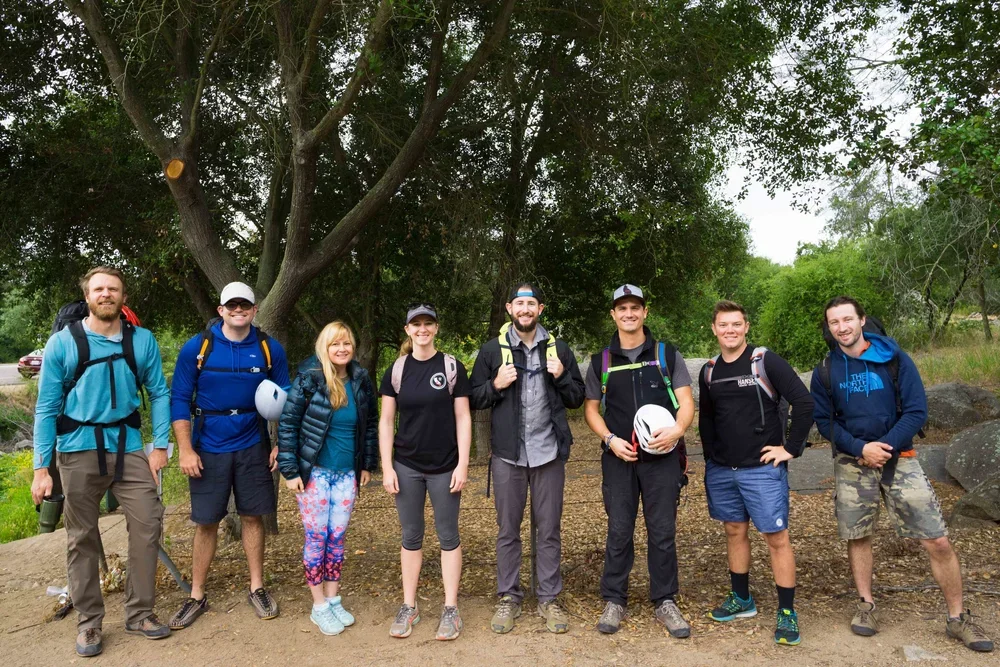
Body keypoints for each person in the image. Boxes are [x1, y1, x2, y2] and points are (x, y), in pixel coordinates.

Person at [811, 295, 994, 653]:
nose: (842, 327)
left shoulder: (895, 359)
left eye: (847, 319)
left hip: (900, 459)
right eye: (834, 322)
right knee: (858, 536)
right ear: (829, 328)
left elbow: (916, 411)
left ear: (862, 320)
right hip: (852, 462)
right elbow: (824, 421)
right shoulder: (826, 370)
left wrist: (883, 447)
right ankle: (866, 605)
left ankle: (958, 618)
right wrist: (860, 448)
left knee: (936, 539)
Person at [30, 266, 172, 657]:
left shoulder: (141, 341)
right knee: (82, 537)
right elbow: (46, 408)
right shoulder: (63, 344)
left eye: (113, 288)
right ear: (87, 296)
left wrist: (160, 446)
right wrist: (41, 469)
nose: (106, 294)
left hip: (128, 446)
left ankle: (140, 613)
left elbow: (159, 393)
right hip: (77, 448)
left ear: (123, 297)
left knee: (148, 523)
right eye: (98, 289)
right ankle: (89, 622)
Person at [167, 282, 289, 629]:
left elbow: (286, 397)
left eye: (244, 305)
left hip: (253, 444)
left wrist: (282, 443)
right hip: (208, 446)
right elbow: (179, 398)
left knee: (253, 517)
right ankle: (196, 595)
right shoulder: (198, 347)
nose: (238, 310)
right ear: (220, 310)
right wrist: (185, 449)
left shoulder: (269, 348)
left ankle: (257, 587)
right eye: (231, 305)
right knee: (206, 522)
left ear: (254, 310)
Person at [469, 283, 586, 634]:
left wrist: (561, 376)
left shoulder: (559, 350)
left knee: (548, 530)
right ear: (509, 308)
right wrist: (495, 385)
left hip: (548, 454)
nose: (525, 309)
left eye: (531, 303)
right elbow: (474, 397)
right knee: (508, 531)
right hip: (508, 457)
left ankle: (549, 598)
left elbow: (577, 397)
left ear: (540, 309)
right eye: (519, 303)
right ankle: (509, 597)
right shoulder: (492, 351)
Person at [698, 300, 814, 646]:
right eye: (723, 325)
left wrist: (791, 448)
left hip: (762, 470)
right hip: (723, 470)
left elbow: (804, 402)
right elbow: (707, 419)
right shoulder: (709, 370)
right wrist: (711, 458)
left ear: (746, 327)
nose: (730, 330)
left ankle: (787, 611)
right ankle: (742, 598)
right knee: (734, 531)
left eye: (736, 324)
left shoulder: (764, 361)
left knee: (776, 538)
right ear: (714, 329)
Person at [583, 284, 694, 637]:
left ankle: (665, 600)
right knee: (619, 530)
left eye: (635, 307)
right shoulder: (601, 361)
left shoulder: (666, 354)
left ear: (645, 312)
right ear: (613, 315)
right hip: (619, 458)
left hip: (662, 459)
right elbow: (591, 410)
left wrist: (677, 430)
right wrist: (610, 439)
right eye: (622, 308)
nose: (629, 313)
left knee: (662, 531)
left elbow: (686, 402)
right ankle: (614, 599)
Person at [277, 321, 378, 636]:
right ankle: (318, 605)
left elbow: (370, 426)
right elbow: (288, 424)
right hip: (315, 475)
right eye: (335, 344)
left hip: (347, 475)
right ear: (325, 347)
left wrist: (367, 464)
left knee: (337, 538)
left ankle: (333, 599)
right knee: (316, 538)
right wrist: (290, 470)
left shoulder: (360, 380)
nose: (342, 349)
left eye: (346, 343)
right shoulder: (309, 379)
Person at [378, 303, 472, 641]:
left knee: (448, 536)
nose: (422, 329)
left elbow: (463, 417)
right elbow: (386, 421)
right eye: (416, 324)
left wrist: (463, 464)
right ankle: (409, 606)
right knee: (411, 536)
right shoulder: (396, 370)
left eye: (428, 323)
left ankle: (450, 609)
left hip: (445, 466)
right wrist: (387, 467)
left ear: (436, 328)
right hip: (407, 466)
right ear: (407, 330)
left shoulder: (451, 367)